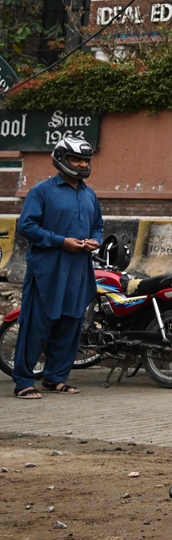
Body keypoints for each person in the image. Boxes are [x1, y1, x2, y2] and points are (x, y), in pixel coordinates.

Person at [12, 138, 103, 400]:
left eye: (86, 160)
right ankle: (23, 381)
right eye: (77, 160)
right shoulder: (42, 191)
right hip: (48, 269)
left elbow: (98, 225)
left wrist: (95, 239)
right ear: (62, 159)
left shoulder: (89, 194)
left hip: (79, 268)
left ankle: (55, 378)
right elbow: (27, 227)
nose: (83, 165)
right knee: (36, 325)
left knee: (71, 323)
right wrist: (60, 241)